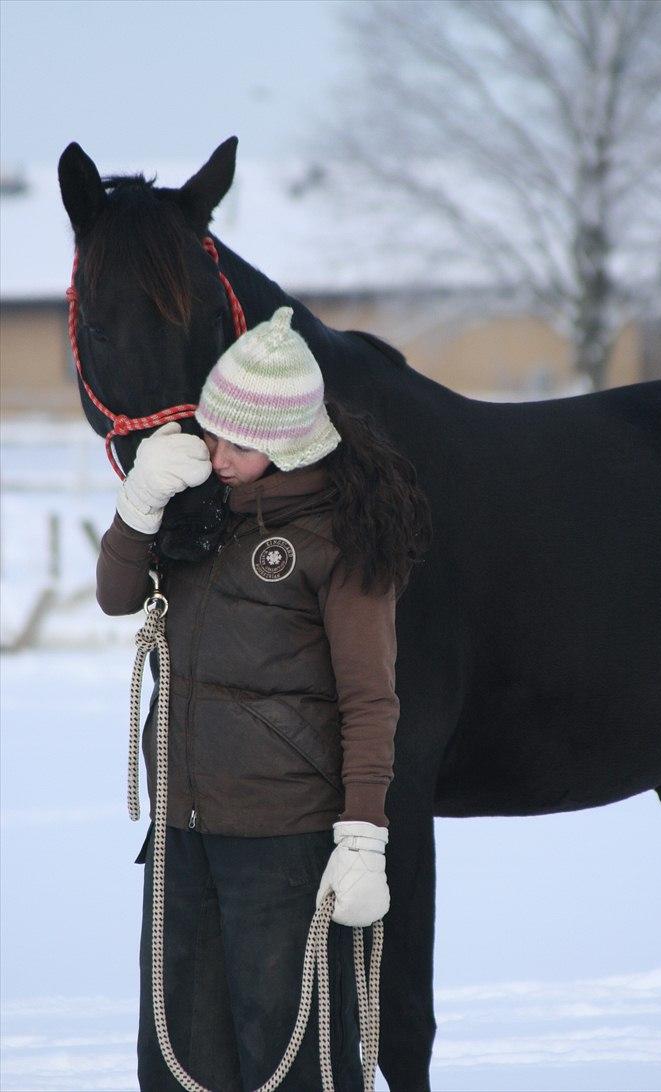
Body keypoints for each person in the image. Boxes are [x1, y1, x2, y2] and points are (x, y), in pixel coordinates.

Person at [95, 306, 431, 1091]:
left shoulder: (342, 537)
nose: (217, 457)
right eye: (212, 435)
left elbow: (370, 698)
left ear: (289, 444)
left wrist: (363, 835)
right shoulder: (196, 515)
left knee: (294, 1062)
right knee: (180, 1064)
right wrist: (140, 505)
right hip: (182, 832)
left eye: (239, 445)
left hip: (285, 843)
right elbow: (115, 596)